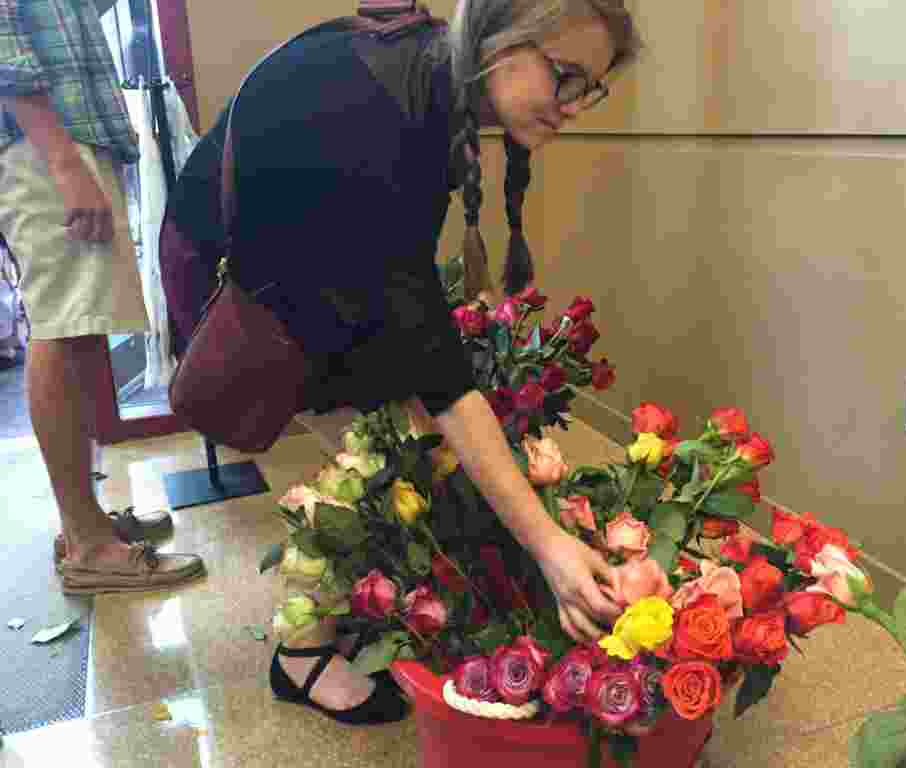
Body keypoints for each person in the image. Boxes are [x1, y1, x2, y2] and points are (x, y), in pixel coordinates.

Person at [164, 0, 642, 724]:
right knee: (357, 459)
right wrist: (550, 548)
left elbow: (409, 309)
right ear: (500, 38)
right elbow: (438, 371)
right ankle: (300, 658)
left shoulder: (431, 75)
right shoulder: (377, 121)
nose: (574, 107)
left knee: (394, 435)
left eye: (590, 88)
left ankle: (341, 595)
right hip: (248, 274)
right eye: (566, 76)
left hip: (310, 248)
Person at [0, 0, 204, 593]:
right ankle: (89, 546)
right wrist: (62, 162)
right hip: (42, 147)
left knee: (80, 325)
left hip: (61, 140)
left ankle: (83, 522)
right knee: (62, 326)